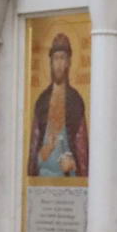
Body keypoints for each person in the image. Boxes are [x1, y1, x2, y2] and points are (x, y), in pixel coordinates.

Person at [27, 33, 89, 178]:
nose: (59, 64)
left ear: (68, 62)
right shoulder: (42, 101)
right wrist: (43, 153)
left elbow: (82, 152)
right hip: (43, 181)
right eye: (56, 58)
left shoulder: (75, 101)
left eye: (63, 58)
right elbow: (33, 153)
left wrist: (73, 164)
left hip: (69, 181)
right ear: (51, 62)